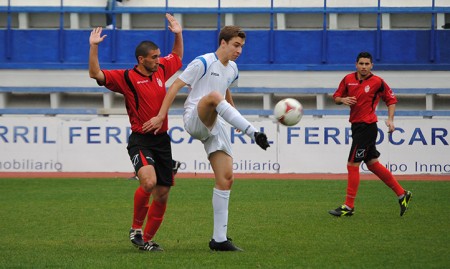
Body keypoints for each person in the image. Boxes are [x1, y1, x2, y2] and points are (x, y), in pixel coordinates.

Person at [145, 25, 270, 251]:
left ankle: (219, 240)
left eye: (241, 46)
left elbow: (225, 90)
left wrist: (234, 116)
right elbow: (175, 86)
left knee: (226, 178)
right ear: (223, 42)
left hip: (216, 122)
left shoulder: (233, 68)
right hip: (195, 117)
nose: (239, 50)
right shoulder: (202, 62)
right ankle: (255, 132)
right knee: (212, 97)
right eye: (236, 45)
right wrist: (161, 115)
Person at [88, 13, 183, 251]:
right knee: (149, 182)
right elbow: (95, 74)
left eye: (159, 55)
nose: (159, 60)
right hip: (140, 140)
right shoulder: (126, 78)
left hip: (162, 141)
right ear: (141, 59)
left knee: (162, 195)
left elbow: (178, 57)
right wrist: (94, 48)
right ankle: (136, 228)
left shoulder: (161, 70)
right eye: (154, 57)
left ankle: (147, 241)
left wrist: (178, 34)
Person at [329, 51, 412, 217]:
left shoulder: (377, 82)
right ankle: (403, 194)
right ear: (356, 64)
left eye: (367, 64)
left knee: (352, 164)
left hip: (367, 128)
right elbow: (336, 96)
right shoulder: (348, 79)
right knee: (372, 164)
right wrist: (343, 100)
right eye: (361, 63)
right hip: (356, 127)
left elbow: (391, 100)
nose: (364, 66)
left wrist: (390, 119)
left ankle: (348, 206)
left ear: (371, 65)